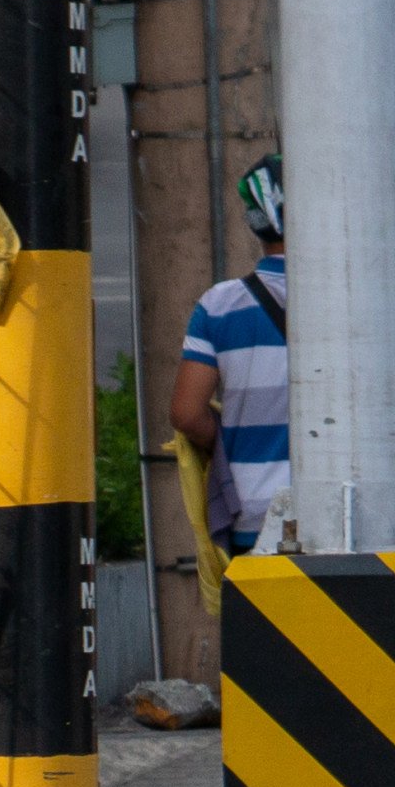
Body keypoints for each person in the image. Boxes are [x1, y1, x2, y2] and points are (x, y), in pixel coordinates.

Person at [168, 154, 295, 562]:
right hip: (345, 511)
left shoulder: (219, 306)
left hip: (257, 513)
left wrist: (236, 440)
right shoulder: (355, 296)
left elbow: (186, 414)